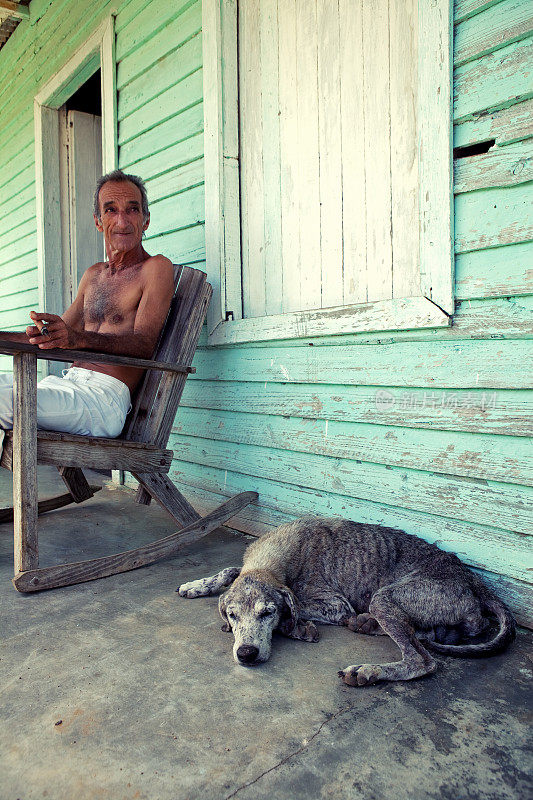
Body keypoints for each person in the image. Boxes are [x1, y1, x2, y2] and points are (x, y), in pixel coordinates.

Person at [0, 169, 175, 438]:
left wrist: (77, 339)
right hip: (66, 385)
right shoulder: (94, 275)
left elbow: (143, 343)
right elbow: (53, 338)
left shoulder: (155, 268)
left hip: (102, 400)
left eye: (132, 209)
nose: (122, 221)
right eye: (111, 210)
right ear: (97, 220)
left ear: (146, 219)